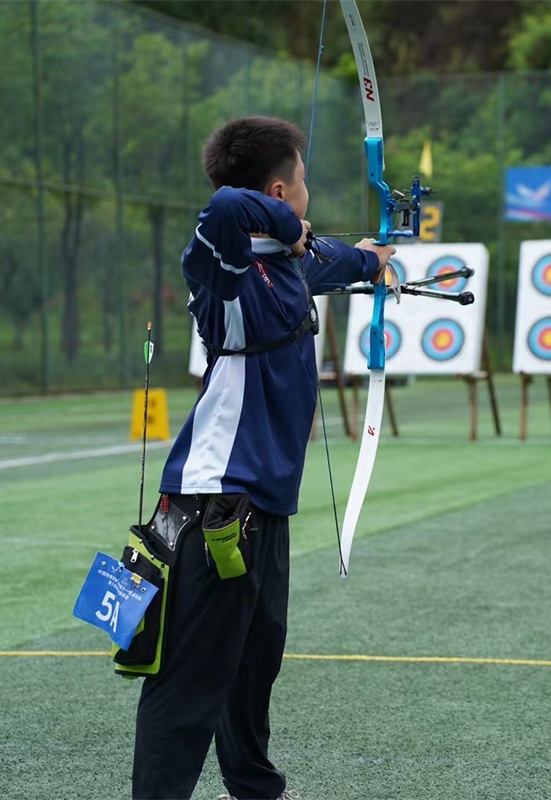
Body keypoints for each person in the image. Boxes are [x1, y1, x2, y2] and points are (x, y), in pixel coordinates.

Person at [131, 116, 395, 800]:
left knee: (253, 664)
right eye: (302, 182)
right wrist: (291, 224)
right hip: (216, 500)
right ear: (279, 191)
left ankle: (256, 791)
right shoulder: (223, 264)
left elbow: (336, 260)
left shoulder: (288, 263)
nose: (308, 194)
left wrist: (373, 258)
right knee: (191, 679)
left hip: (263, 506)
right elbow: (225, 205)